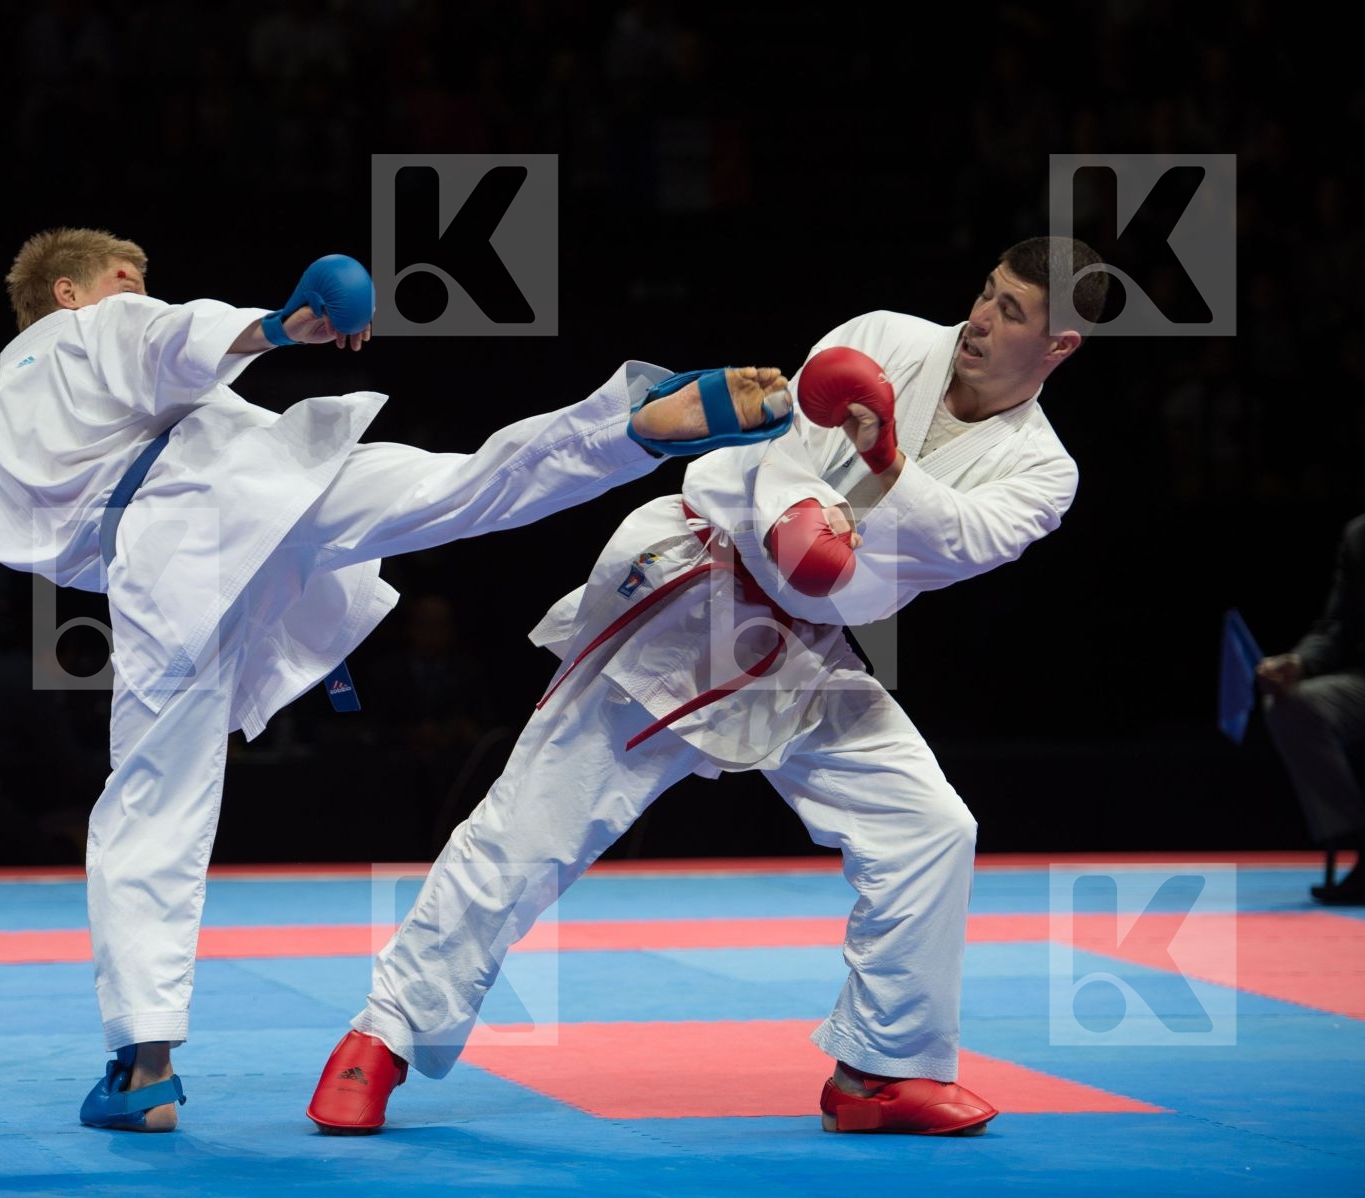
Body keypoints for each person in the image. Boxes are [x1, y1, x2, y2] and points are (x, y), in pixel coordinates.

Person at [0, 227, 798, 1132]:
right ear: (63, 293)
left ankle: (145, 1061)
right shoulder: (94, 328)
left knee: (154, 801)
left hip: (177, 561)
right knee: (469, 487)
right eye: (121, 270)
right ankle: (636, 425)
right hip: (258, 495)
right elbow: (170, 333)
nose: (137, 283)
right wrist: (280, 328)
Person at [308, 236, 1107, 1139]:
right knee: (531, 827)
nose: (981, 318)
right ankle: (379, 1039)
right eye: (987, 293)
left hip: (805, 650)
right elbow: (787, 459)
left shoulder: (1044, 471)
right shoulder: (886, 336)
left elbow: (959, 537)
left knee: (928, 829)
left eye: (1012, 312)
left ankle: (881, 1073)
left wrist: (884, 464)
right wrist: (802, 527)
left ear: (1061, 345)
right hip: (698, 591)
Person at [1257, 512, 1365, 905]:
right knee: (1294, 706)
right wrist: (1297, 663)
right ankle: (1355, 835)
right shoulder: (1360, 535)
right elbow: (1336, 628)